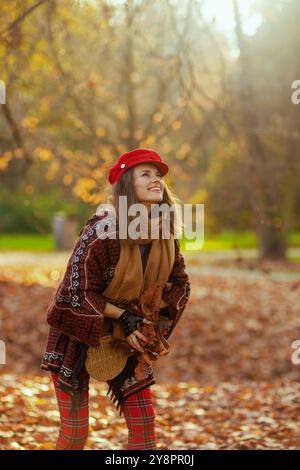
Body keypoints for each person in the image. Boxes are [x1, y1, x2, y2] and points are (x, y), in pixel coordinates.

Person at [40, 148, 191, 450]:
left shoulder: (165, 235)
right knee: (75, 434)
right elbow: (75, 292)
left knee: (145, 428)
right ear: (126, 185)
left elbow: (180, 286)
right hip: (78, 334)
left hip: (128, 336)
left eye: (158, 174)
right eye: (145, 174)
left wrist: (147, 315)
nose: (156, 180)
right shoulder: (101, 232)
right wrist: (123, 315)